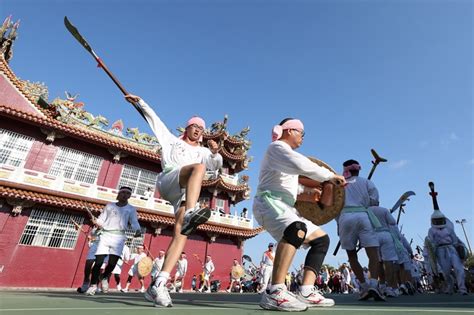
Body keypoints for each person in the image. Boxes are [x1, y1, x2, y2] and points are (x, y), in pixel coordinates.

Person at [124, 94, 223, 307]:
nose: (198, 130)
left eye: (201, 129)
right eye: (194, 126)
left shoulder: (204, 151)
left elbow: (216, 164)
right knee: (198, 168)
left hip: (185, 193)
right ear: (186, 128)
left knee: (181, 234)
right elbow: (154, 120)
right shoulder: (170, 140)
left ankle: (158, 284)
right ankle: (191, 212)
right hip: (169, 179)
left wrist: (215, 153)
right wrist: (140, 102)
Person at [253, 118, 345, 311]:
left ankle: (306, 290)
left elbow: (294, 189)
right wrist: (329, 176)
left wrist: (313, 195)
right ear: (289, 131)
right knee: (296, 229)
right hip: (269, 203)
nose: (302, 137)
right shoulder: (276, 148)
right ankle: (275, 292)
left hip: (285, 206)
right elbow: (301, 164)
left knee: (322, 239)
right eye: (301, 133)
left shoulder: (286, 162)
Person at [336, 159, 384, 301]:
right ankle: (374, 284)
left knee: (351, 255)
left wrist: (339, 223)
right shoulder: (367, 182)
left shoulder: (339, 184)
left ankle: (363, 286)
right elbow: (375, 202)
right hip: (364, 216)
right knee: (373, 254)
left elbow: (334, 206)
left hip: (345, 217)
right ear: (358, 170)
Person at [85, 186, 141, 296]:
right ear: (119, 194)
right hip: (105, 235)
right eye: (123, 192)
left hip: (119, 237)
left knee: (112, 263)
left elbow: (134, 221)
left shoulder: (131, 209)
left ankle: (105, 276)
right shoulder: (109, 205)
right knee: (99, 262)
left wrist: (137, 230)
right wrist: (97, 222)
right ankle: (92, 286)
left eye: (127, 193)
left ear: (129, 196)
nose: (125, 195)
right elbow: (102, 219)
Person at [427, 210, 467, 295]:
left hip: (451, 249)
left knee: (459, 268)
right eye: (436, 220)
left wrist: (458, 248)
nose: (438, 222)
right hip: (440, 251)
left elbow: (455, 239)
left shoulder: (449, 228)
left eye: (440, 219)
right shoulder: (431, 230)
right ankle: (449, 286)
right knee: (446, 271)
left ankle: (462, 289)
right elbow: (431, 243)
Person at [77, 227, 100, 293]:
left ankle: (95, 286)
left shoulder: (106, 228)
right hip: (93, 249)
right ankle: (85, 285)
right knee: (88, 267)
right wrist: (90, 240)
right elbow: (90, 238)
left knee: (98, 270)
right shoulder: (93, 229)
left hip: (102, 250)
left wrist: (93, 238)